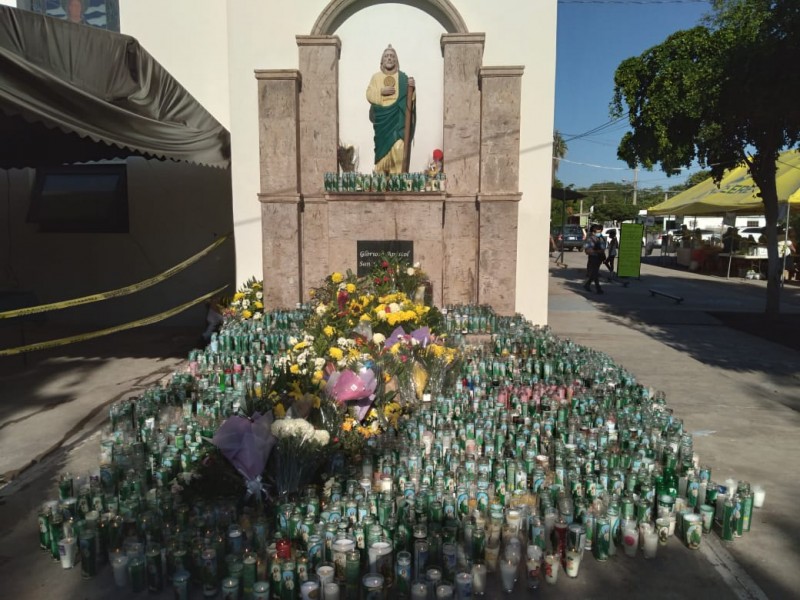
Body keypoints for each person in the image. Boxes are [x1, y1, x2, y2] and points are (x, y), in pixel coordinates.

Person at [366, 45, 415, 174]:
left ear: (396, 60)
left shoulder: (403, 78)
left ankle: (397, 182)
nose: (389, 58)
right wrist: (381, 92)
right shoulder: (376, 77)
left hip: (397, 122)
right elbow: (369, 94)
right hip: (382, 123)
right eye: (386, 56)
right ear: (382, 61)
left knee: (399, 147)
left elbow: (409, 99)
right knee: (382, 157)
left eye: (392, 56)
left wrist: (411, 88)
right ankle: (382, 182)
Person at [583, 223, 606, 294]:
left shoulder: (601, 238)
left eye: (600, 231)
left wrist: (602, 255)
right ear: (594, 231)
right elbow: (587, 250)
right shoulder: (590, 239)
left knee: (594, 273)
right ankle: (598, 288)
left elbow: (603, 248)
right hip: (593, 257)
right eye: (598, 232)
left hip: (599, 258)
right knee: (595, 273)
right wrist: (597, 251)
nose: (599, 233)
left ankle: (587, 285)